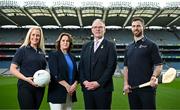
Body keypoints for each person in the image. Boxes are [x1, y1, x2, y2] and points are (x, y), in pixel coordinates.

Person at [123, 17, 163, 109]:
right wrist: (125, 83)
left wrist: (154, 77)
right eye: (133, 26)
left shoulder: (151, 45)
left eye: (138, 26)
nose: (135, 28)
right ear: (131, 28)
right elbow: (125, 67)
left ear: (143, 27)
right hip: (132, 89)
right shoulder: (128, 47)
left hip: (147, 88)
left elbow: (158, 65)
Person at [79, 19, 117, 109]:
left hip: (103, 89)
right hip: (87, 89)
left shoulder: (110, 46)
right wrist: (84, 81)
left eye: (100, 27)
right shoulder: (86, 46)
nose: (98, 29)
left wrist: (98, 83)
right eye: (95, 27)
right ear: (92, 30)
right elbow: (81, 67)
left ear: (105, 29)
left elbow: (111, 67)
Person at [10, 26, 47, 109]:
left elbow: (42, 70)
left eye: (37, 35)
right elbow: (12, 69)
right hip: (25, 87)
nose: (35, 37)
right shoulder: (22, 50)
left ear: (40, 37)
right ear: (29, 36)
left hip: (39, 88)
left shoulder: (41, 52)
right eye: (33, 34)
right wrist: (26, 79)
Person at [47, 32, 79, 110]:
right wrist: (67, 86)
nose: (65, 42)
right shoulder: (53, 55)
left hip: (70, 92)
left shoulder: (72, 57)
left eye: (67, 41)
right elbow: (55, 73)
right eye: (63, 40)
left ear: (70, 43)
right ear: (59, 42)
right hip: (57, 91)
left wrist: (74, 85)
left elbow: (76, 74)